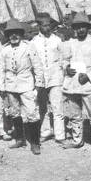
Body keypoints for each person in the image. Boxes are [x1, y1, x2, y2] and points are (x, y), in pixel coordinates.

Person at [61, 12, 91, 153]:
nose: (80, 30)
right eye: (77, 27)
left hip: (87, 84)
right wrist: (66, 68)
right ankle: (77, 141)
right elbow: (64, 60)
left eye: (83, 27)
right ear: (74, 29)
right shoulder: (71, 43)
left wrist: (89, 76)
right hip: (72, 84)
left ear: (87, 28)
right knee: (75, 115)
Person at [0, 21, 42, 154]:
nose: (14, 35)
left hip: (26, 84)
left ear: (21, 34)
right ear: (7, 35)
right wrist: (1, 86)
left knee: (31, 113)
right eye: (11, 33)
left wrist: (39, 84)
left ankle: (35, 143)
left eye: (16, 32)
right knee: (15, 113)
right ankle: (20, 139)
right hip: (10, 85)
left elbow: (38, 66)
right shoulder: (4, 49)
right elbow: (1, 69)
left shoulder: (29, 47)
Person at [32, 12, 67, 143]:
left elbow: (63, 58)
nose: (48, 28)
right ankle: (45, 132)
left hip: (55, 77)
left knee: (57, 107)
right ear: (39, 26)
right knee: (42, 108)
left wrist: (64, 71)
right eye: (44, 25)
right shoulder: (34, 42)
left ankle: (60, 135)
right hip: (41, 79)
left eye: (49, 25)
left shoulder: (57, 40)